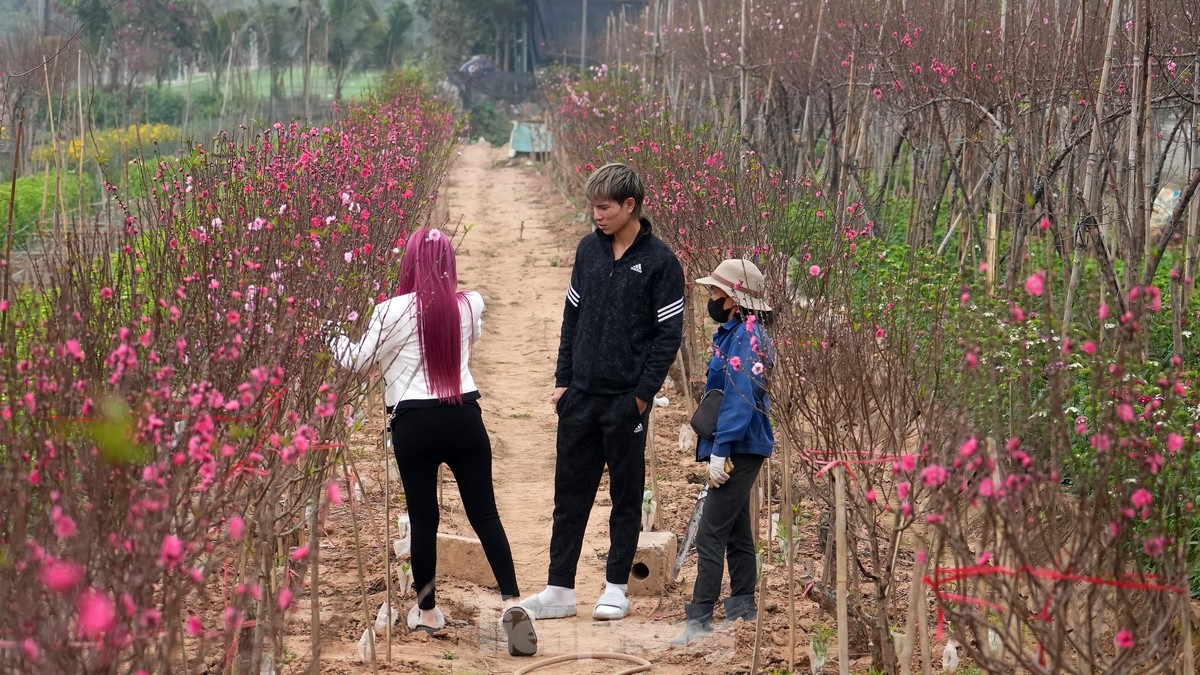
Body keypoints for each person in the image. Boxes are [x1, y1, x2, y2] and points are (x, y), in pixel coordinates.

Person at [329, 226, 536, 657]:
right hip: (464, 417)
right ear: (448, 263)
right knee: (485, 513)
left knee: (424, 519)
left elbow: (357, 361)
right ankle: (513, 603)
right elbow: (468, 342)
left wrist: (327, 332)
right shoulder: (469, 305)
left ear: (409, 262)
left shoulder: (390, 311)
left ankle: (426, 613)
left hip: (414, 424)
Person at [520, 163, 685, 622]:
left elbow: (668, 336)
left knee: (626, 496)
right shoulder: (587, 252)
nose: (596, 214)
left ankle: (615, 587)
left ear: (630, 206)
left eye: (604, 207)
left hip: (624, 402)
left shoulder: (660, 263)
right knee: (568, 494)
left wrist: (641, 395)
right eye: (593, 206)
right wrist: (562, 382)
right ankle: (559, 589)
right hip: (579, 398)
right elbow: (571, 318)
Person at [671, 258, 775, 645]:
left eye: (716, 291)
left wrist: (722, 449)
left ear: (733, 299)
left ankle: (699, 620)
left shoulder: (747, 339)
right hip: (739, 444)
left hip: (740, 446)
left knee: (711, 532)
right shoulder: (735, 333)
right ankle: (743, 607)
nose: (710, 297)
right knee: (733, 529)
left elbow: (739, 398)